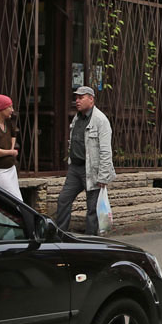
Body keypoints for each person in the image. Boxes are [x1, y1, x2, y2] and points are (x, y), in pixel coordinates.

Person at [55, 86, 117, 235]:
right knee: (63, 199)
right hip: (75, 168)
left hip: (92, 169)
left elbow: (105, 150)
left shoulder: (100, 120)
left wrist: (103, 176)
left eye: (81, 98)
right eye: (76, 98)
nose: (77, 101)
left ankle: (91, 240)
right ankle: (60, 234)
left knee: (92, 208)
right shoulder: (77, 117)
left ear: (91, 99)